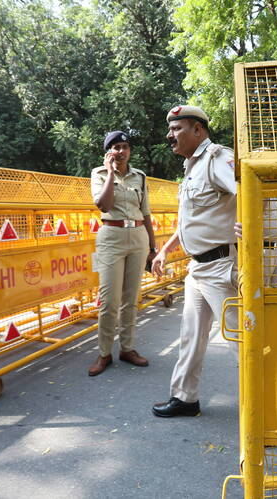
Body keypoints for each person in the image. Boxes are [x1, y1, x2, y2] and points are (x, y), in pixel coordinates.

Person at [150, 105, 238, 418]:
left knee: (239, 338)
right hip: (198, 269)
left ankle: (269, 403)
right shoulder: (191, 166)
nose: (169, 135)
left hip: (220, 266)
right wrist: (164, 251)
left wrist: (252, 228)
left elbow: (247, 191)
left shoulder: (216, 158)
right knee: (191, 336)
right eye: (170, 130)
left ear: (198, 130)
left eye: (177, 129)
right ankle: (185, 398)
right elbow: (188, 222)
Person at [89, 130, 157, 376]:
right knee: (109, 300)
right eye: (115, 147)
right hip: (111, 236)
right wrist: (109, 173)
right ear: (108, 152)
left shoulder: (140, 176)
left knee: (131, 298)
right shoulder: (98, 174)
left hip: (138, 237)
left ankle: (127, 348)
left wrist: (153, 247)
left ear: (130, 150)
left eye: (125, 146)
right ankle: (104, 352)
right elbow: (103, 205)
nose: (121, 151)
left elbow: (146, 212)